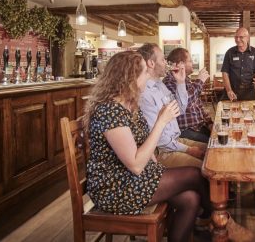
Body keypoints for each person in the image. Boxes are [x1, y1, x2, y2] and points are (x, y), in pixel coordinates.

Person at [83, 51, 211, 242]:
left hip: (134, 176)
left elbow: (144, 144)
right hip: (115, 187)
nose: (147, 76)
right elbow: (135, 164)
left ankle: (215, 219)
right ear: (129, 78)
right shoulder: (109, 111)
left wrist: (157, 169)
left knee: (190, 199)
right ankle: (222, 222)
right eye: (144, 73)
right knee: (195, 174)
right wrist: (161, 122)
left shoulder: (129, 105)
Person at [137, 43, 207, 168]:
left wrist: (180, 83)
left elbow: (179, 109)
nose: (166, 63)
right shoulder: (145, 93)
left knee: (212, 149)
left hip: (175, 140)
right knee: (204, 167)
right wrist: (188, 150)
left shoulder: (159, 85)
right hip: (162, 151)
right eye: (163, 59)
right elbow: (159, 139)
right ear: (151, 63)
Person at [163, 47, 212, 143]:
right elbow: (184, 104)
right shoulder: (169, 82)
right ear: (179, 64)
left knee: (220, 136)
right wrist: (200, 81)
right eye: (190, 61)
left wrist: (209, 122)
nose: (192, 63)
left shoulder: (187, 80)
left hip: (199, 126)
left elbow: (198, 106)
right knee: (212, 144)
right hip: (186, 130)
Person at [221, 27, 255, 101]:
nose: (238, 39)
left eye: (241, 37)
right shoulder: (229, 53)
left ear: (247, 38)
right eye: (236, 37)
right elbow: (225, 72)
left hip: (249, 93)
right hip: (232, 92)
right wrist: (229, 90)